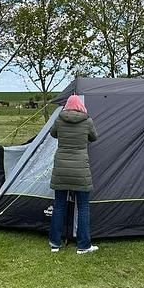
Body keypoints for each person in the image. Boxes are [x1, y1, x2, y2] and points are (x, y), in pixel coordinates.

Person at [48, 94, 99, 254]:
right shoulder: (87, 121)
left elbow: (53, 134)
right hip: (80, 169)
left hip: (61, 168)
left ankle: (55, 243)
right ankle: (83, 246)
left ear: (67, 106)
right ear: (81, 106)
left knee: (59, 206)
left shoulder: (59, 119)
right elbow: (94, 137)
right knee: (83, 207)